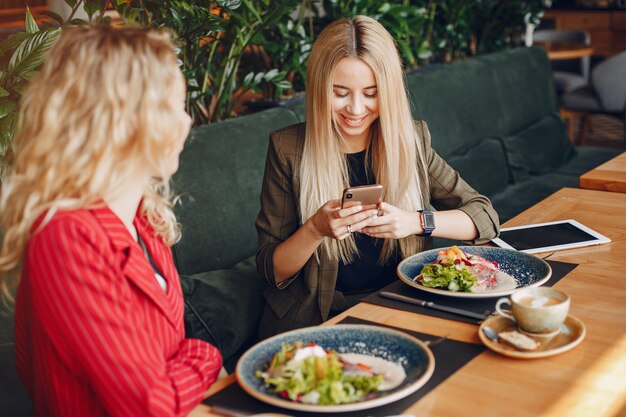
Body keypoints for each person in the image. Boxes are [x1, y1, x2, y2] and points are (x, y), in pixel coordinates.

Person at [0, 27, 222, 417]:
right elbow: (147, 405)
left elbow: (165, 360)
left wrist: (185, 365)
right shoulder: (65, 237)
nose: (187, 124)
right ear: (124, 120)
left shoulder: (145, 218)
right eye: (173, 108)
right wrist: (207, 355)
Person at [256, 16, 500, 338]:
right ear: (318, 89)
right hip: (322, 317)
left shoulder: (410, 141)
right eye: (340, 93)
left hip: (402, 306)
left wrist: (416, 222)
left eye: (371, 93)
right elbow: (271, 271)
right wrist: (315, 229)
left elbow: (484, 217)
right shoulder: (288, 149)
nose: (356, 109)